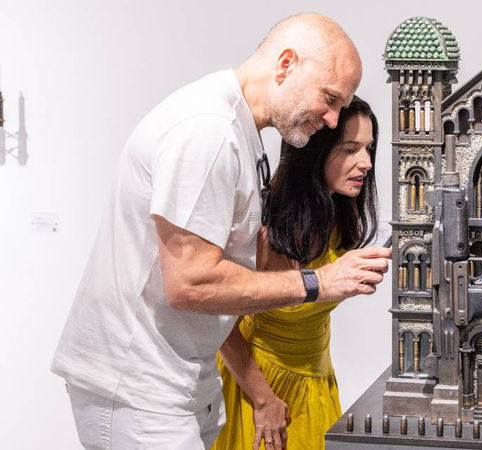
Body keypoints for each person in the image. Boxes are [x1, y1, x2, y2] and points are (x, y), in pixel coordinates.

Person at [51, 13, 391, 449]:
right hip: (141, 391)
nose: (331, 119)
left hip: (181, 385)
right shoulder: (209, 132)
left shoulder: (237, 130)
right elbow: (190, 284)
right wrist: (319, 282)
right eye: (329, 99)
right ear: (286, 64)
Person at [212, 96, 378, 450]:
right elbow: (220, 323)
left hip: (317, 385)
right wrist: (264, 401)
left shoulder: (336, 213)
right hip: (259, 391)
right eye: (350, 149)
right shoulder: (264, 227)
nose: (365, 162)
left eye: (368, 148)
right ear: (314, 153)